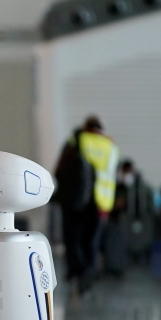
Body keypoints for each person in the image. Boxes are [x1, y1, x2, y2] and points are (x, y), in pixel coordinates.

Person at [54, 115, 119, 292]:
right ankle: (89, 274)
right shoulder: (110, 146)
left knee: (73, 239)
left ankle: (77, 272)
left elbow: (60, 169)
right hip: (101, 203)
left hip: (77, 201)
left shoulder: (77, 140)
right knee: (92, 242)